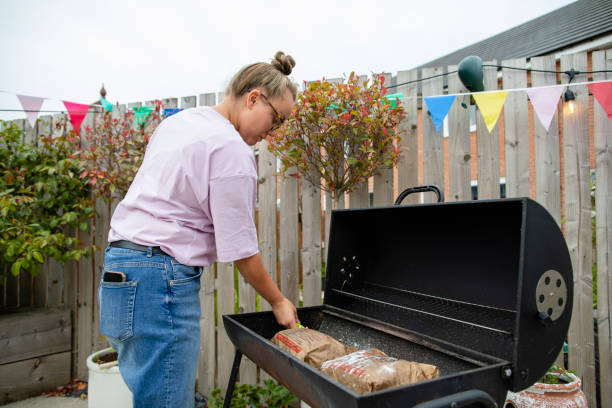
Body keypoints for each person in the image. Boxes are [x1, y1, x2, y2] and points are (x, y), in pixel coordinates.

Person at [99, 51, 300, 408]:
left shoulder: (180, 123)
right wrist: (278, 300)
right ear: (254, 97)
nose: (274, 132)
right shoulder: (231, 151)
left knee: (151, 394)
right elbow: (240, 249)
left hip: (120, 270)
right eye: (277, 118)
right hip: (159, 279)